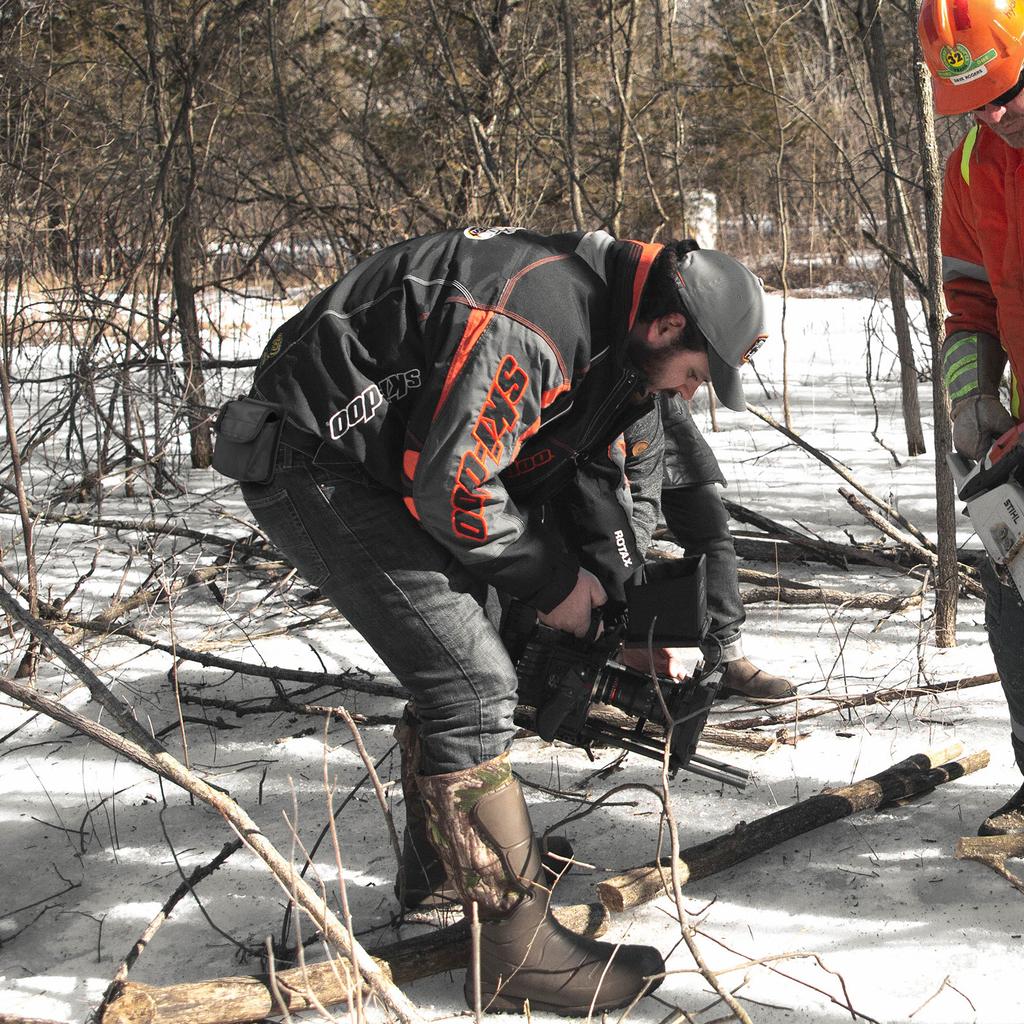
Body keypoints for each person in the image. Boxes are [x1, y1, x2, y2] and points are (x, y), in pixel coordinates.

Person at [230, 227, 767, 1013]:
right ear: (666, 327)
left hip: (379, 464)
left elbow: (566, 468)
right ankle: (517, 952)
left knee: (469, 644)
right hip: (316, 460)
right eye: (694, 375)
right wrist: (552, 584)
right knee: (471, 680)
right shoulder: (538, 321)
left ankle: (449, 867)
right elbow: (458, 488)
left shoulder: (608, 333)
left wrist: (612, 602)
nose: (689, 394)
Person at [919, 0, 1024, 836]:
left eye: (1005, 90)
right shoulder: (969, 169)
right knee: (1013, 589)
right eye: (974, 103)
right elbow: (969, 300)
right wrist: (971, 396)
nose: (993, 113)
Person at [659, 393, 796, 700]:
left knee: (712, 532)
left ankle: (726, 660)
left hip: (664, 412)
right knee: (613, 537)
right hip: (607, 410)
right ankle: (599, 667)